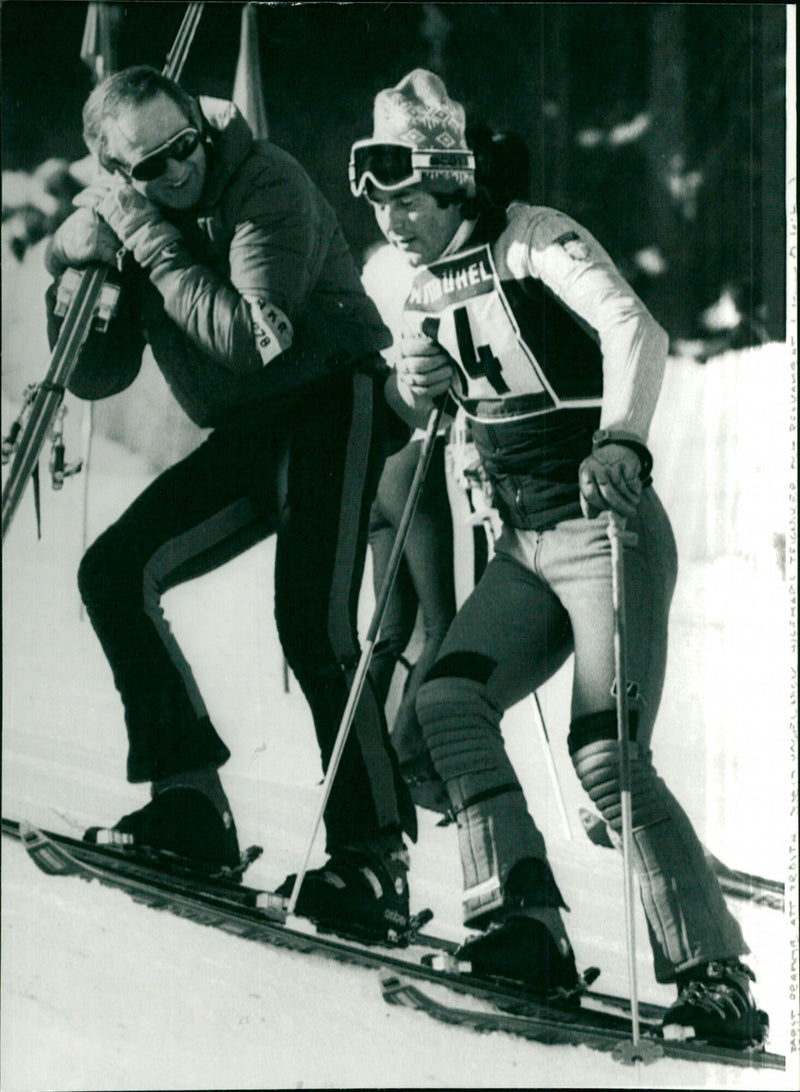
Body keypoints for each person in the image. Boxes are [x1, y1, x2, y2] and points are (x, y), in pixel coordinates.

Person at [351, 69, 767, 1044]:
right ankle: (518, 919)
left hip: (603, 526)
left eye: (407, 201)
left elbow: (634, 326)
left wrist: (621, 438)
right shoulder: (418, 282)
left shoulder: (533, 238)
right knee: (445, 704)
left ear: (451, 180)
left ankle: (714, 977)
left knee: (605, 757)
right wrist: (419, 380)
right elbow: (421, 407)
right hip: (525, 546)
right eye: (381, 208)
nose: (396, 224)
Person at [44, 65, 418, 944]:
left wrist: (140, 232)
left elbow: (248, 339)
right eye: (148, 168)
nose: (176, 172)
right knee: (115, 571)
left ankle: (374, 859)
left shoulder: (265, 181)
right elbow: (99, 374)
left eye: (183, 149)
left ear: (199, 132)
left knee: (312, 625)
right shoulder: (133, 218)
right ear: (117, 167)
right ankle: (190, 804)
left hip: (334, 398)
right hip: (253, 430)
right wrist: (75, 266)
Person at [360, 233, 457, 815]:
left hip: (374, 456)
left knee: (390, 627)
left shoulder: (376, 264)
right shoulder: (439, 271)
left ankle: (357, 754)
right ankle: (406, 755)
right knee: (443, 620)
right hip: (417, 454)